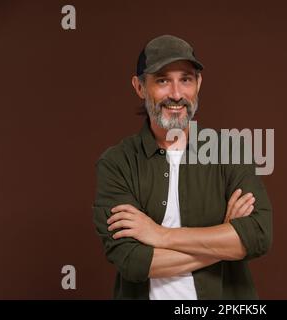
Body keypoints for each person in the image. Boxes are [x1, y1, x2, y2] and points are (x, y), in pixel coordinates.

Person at [93, 35, 272, 299]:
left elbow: (257, 236)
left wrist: (160, 235)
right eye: (163, 80)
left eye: (185, 79)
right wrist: (223, 240)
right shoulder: (117, 163)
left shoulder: (230, 151)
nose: (176, 94)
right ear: (140, 87)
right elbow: (132, 261)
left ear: (198, 84)